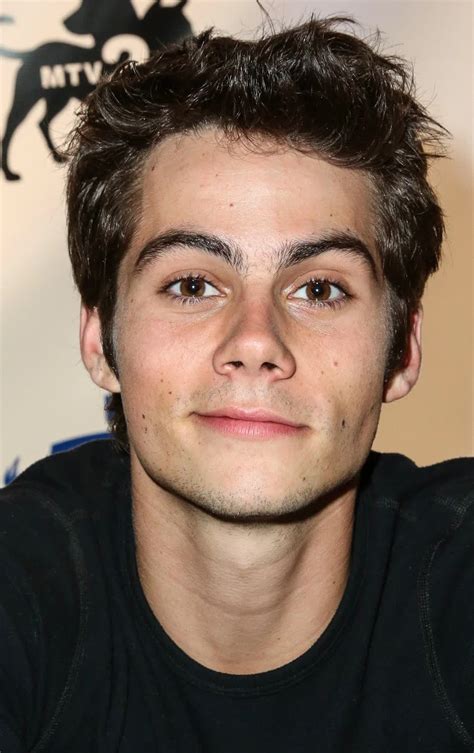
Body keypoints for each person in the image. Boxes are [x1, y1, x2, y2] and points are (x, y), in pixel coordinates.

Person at [0, 16, 472, 753]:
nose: (256, 342)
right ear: (99, 340)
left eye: (319, 289)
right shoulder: (22, 579)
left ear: (403, 349)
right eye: (192, 284)